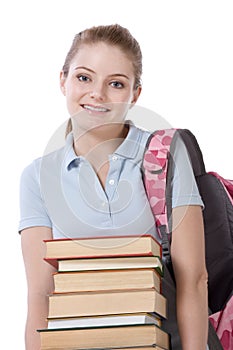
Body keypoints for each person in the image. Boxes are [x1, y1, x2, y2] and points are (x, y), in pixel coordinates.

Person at [19, 24, 209, 350]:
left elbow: (194, 279)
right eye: (83, 77)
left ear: (135, 94)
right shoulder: (38, 176)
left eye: (116, 84)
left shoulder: (166, 156)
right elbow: (41, 293)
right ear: (62, 80)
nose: (97, 94)